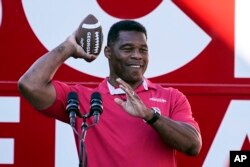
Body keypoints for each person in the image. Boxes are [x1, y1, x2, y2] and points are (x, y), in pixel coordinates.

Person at [18, 20, 202, 167]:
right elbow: (30, 85)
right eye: (127, 49)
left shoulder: (171, 97)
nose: (137, 55)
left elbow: (193, 146)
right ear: (108, 52)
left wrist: (148, 115)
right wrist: (67, 48)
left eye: (143, 50)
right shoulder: (86, 99)